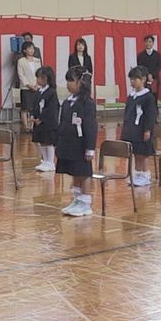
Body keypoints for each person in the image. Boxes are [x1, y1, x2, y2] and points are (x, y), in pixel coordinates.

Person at [58, 67, 98, 217]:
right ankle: (77, 200)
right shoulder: (67, 102)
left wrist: (90, 148)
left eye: (71, 81)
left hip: (81, 145)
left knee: (83, 173)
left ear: (81, 83)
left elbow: (90, 126)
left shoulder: (87, 103)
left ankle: (86, 203)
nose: (68, 84)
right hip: (69, 144)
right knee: (74, 172)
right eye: (67, 81)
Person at [121, 66, 157, 187]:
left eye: (134, 79)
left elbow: (151, 115)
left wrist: (147, 130)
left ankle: (145, 175)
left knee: (143, 154)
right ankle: (137, 174)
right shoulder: (131, 96)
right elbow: (128, 113)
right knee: (136, 153)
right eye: (131, 79)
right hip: (132, 130)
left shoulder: (148, 97)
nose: (132, 82)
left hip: (142, 130)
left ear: (143, 79)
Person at [31, 66, 59, 173]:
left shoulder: (51, 92)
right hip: (39, 122)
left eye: (40, 78)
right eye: (37, 78)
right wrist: (34, 116)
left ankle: (50, 162)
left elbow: (51, 109)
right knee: (42, 141)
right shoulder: (39, 92)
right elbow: (35, 105)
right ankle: (45, 160)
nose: (38, 80)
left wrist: (42, 118)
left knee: (49, 142)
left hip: (48, 123)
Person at [17, 43, 42, 131]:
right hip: (26, 88)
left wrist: (37, 84)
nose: (31, 50)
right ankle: (26, 126)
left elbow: (40, 73)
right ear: (24, 50)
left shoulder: (37, 60)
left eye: (32, 48)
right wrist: (29, 85)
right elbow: (21, 75)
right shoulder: (21, 61)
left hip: (37, 86)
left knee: (34, 107)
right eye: (29, 48)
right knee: (25, 107)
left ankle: (32, 125)